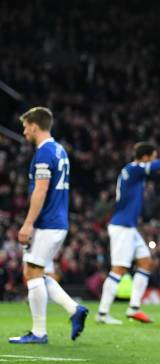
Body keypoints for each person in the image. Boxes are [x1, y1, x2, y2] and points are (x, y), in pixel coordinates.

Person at [9, 107, 88, 344]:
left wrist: (28, 224)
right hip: (56, 221)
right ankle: (74, 309)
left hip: (47, 223)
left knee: (32, 273)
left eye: (25, 126)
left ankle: (39, 332)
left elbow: (41, 190)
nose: (24, 131)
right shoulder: (59, 150)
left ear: (34, 125)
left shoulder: (44, 152)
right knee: (36, 272)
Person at [95, 142, 160, 324]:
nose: (155, 159)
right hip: (122, 227)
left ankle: (134, 308)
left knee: (145, 262)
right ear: (145, 157)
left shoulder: (132, 171)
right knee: (119, 269)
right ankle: (102, 313)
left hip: (129, 226)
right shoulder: (135, 168)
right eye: (153, 156)